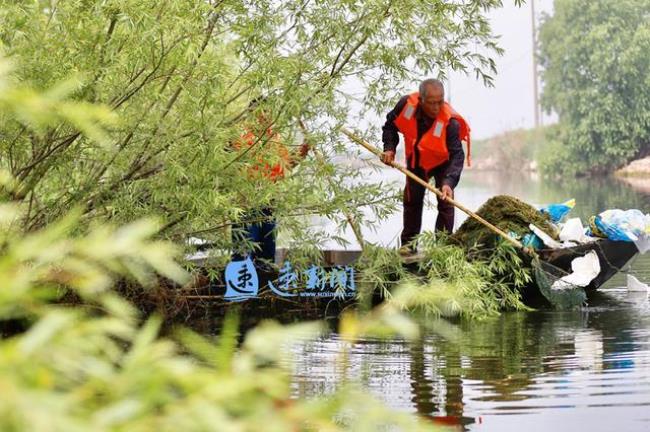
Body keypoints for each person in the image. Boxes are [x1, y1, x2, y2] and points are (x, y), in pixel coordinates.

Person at [381, 79, 470, 255]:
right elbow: (390, 126)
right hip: (417, 159)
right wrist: (389, 148)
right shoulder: (406, 105)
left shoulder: (450, 123)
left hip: (442, 162)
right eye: (431, 103)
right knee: (412, 201)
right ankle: (408, 247)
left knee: (446, 202)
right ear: (421, 100)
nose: (436, 108)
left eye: (440, 101)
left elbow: (457, 155)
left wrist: (448, 182)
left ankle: (443, 249)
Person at [230, 105, 309, 269]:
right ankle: (241, 291)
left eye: (268, 112)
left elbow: (287, 164)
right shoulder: (241, 137)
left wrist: (304, 149)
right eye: (261, 112)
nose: (266, 116)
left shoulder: (275, 138)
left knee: (266, 253)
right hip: (246, 203)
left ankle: (264, 290)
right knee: (243, 253)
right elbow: (228, 159)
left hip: (269, 203)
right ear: (252, 115)